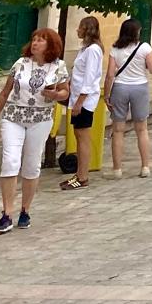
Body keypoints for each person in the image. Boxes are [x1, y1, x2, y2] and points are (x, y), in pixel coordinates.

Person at [0, 27, 70, 234]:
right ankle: (7, 213)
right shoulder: (20, 63)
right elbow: (5, 93)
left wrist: (55, 95)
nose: (35, 43)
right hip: (14, 116)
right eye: (34, 39)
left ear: (51, 45)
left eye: (41, 40)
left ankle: (25, 210)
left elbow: (66, 92)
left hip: (40, 119)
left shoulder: (58, 67)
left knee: (31, 164)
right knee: (10, 161)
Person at [107, 18, 152, 179]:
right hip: (139, 87)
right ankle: (145, 167)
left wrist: (107, 95)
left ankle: (117, 169)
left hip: (120, 87)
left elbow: (110, 74)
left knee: (117, 130)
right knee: (142, 129)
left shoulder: (115, 49)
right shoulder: (144, 47)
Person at [61, 16, 104, 191]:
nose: (77, 30)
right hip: (77, 97)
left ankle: (83, 176)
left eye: (80, 27)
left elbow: (89, 78)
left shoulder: (93, 50)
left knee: (83, 136)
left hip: (85, 100)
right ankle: (79, 173)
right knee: (78, 136)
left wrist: (80, 102)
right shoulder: (85, 49)